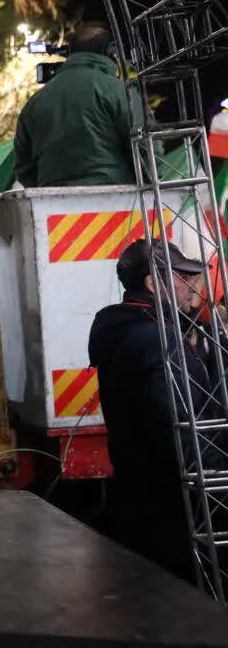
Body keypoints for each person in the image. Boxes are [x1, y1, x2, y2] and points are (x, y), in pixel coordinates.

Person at [89, 240, 227, 583]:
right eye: (182, 277)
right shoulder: (158, 341)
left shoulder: (128, 331)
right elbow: (184, 437)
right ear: (153, 283)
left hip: (145, 508)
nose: (192, 287)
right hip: (176, 517)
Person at [13, 22, 144, 188]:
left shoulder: (34, 103)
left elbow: (23, 168)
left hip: (52, 201)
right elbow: (146, 147)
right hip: (118, 198)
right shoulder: (119, 91)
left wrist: (47, 191)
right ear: (111, 51)